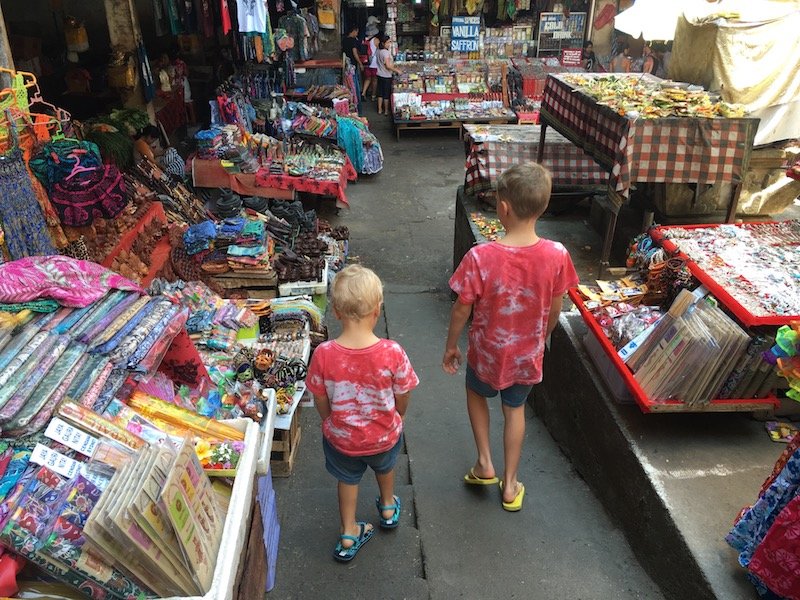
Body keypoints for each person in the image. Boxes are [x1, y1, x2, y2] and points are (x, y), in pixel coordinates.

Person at [442, 163, 579, 512]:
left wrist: (451, 346)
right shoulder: (557, 255)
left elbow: (461, 308)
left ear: (503, 208)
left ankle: (485, 462)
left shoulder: (481, 257)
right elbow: (555, 306)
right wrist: (543, 337)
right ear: (543, 206)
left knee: (476, 393)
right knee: (514, 409)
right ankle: (511, 482)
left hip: (487, 353)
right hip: (526, 354)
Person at [306, 264, 419, 562]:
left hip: (342, 439)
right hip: (383, 434)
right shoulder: (392, 352)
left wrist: (329, 421)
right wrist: (399, 415)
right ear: (377, 310)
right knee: (385, 466)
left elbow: (318, 396)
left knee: (347, 478)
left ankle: (348, 532)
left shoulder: (324, 354)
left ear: (337, 312)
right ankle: (386, 506)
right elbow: (404, 391)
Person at [376, 34, 402, 116]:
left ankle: (379, 109)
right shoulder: (386, 53)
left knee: (380, 93)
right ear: (383, 43)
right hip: (386, 76)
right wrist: (397, 70)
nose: (389, 44)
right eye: (388, 42)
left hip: (379, 74)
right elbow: (388, 66)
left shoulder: (378, 51)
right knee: (386, 94)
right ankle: (386, 111)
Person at [361, 27, 381, 101]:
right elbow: (380, 49)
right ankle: (373, 96)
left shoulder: (365, 40)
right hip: (374, 62)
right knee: (375, 80)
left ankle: (363, 93)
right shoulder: (376, 40)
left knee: (367, 78)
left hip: (366, 62)